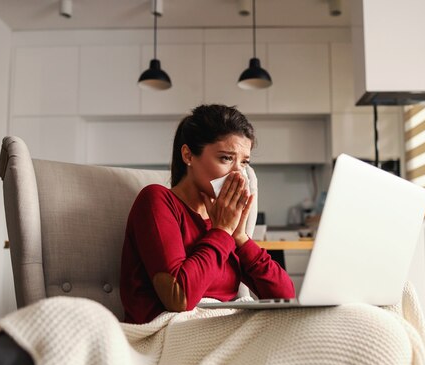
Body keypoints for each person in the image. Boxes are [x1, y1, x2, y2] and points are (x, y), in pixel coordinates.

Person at [120, 104, 295, 324]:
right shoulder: (157, 200)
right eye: (226, 159)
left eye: (244, 163)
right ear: (188, 155)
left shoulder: (226, 220)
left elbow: (285, 296)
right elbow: (179, 299)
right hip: (167, 334)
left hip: (221, 327)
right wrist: (221, 231)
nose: (238, 174)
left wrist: (239, 237)